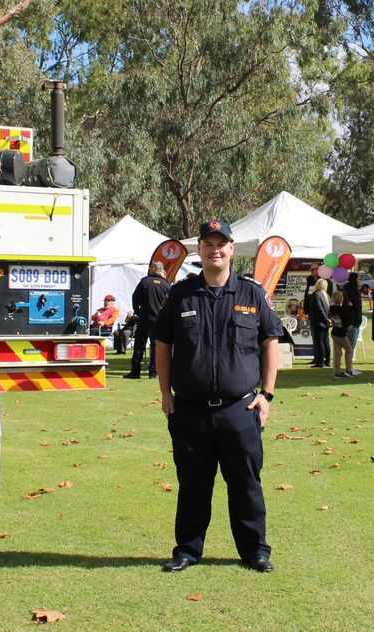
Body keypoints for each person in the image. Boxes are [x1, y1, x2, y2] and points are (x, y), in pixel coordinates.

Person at [154, 219, 282, 574]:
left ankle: (255, 550)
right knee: (193, 486)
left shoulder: (252, 294)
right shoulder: (180, 294)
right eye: (208, 243)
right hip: (190, 410)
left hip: (240, 409)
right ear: (200, 248)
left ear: (231, 248)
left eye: (221, 243)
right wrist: (165, 393)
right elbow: (163, 343)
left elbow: (270, 341)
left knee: (246, 483)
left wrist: (267, 395)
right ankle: (187, 551)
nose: (215, 249)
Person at [125, 261, 171, 379]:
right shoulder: (166, 284)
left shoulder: (144, 281)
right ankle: (153, 372)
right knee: (156, 346)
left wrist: (138, 312)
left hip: (145, 318)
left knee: (140, 345)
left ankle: (135, 371)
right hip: (159, 320)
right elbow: (170, 303)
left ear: (153, 269)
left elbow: (135, 298)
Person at [342, 273, 364, 375]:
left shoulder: (355, 291)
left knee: (352, 345)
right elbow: (349, 309)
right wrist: (350, 322)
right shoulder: (349, 292)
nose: (360, 280)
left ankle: (350, 367)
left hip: (356, 321)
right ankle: (348, 368)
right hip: (352, 322)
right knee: (350, 346)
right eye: (359, 278)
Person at [329, 290, 354, 378]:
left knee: (338, 352)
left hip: (334, 332)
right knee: (349, 350)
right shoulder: (343, 310)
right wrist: (350, 307)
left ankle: (337, 371)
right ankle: (348, 369)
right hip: (341, 334)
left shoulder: (332, 308)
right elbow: (349, 317)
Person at [307, 279, 331, 368]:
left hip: (318, 322)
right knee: (326, 341)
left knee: (319, 341)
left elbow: (319, 308)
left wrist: (326, 319)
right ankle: (327, 361)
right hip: (325, 322)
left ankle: (320, 362)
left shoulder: (316, 294)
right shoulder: (327, 295)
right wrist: (329, 319)